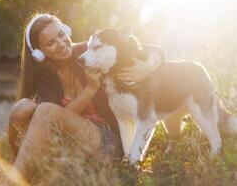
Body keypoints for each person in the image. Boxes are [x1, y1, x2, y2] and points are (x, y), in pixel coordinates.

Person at [8, 13, 165, 180]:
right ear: (39, 53)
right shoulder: (44, 78)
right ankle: (22, 171)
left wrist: (149, 65)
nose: (61, 44)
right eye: (51, 43)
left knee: (45, 110)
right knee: (22, 107)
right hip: (69, 146)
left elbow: (152, 49)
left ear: (66, 30)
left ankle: (11, 181)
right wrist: (91, 88)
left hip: (107, 141)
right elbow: (57, 120)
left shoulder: (88, 50)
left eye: (61, 34)